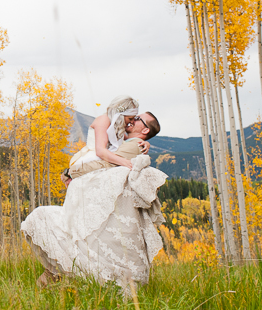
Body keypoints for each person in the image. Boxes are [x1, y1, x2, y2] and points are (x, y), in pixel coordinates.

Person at [20, 96, 166, 295]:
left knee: (79, 232)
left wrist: (141, 145)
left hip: (89, 179)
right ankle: (57, 276)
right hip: (87, 171)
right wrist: (71, 172)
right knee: (77, 230)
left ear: (145, 130)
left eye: (137, 119)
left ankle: (57, 279)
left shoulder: (133, 142)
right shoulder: (105, 121)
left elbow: (114, 156)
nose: (132, 120)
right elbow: (102, 153)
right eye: (132, 116)